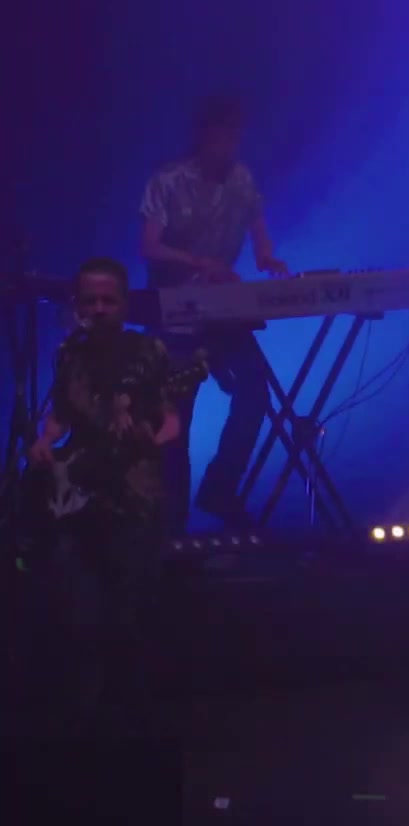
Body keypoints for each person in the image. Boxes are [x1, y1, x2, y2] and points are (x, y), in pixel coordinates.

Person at [24, 259, 187, 733]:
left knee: (132, 612)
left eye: (108, 300)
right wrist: (44, 441)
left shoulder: (148, 351)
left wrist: (150, 441)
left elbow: (171, 420)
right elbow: (61, 415)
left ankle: (135, 725)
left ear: (124, 304)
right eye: (90, 301)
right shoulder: (68, 353)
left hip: (134, 498)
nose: (98, 309)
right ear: (77, 305)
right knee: (79, 611)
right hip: (77, 497)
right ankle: (84, 724)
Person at [138, 97, 290, 531]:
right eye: (223, 133)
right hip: (175, 312)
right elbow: (149, 246)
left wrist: (266, 255)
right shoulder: (168, 180)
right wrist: (198, 262)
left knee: (255, 392)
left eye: (236, 135)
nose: (230, 143)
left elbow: (257, 227)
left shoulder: (241, 178)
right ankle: (172, 520)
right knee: (177, 413)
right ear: (204, 135)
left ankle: (220, 488)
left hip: (221, 308)